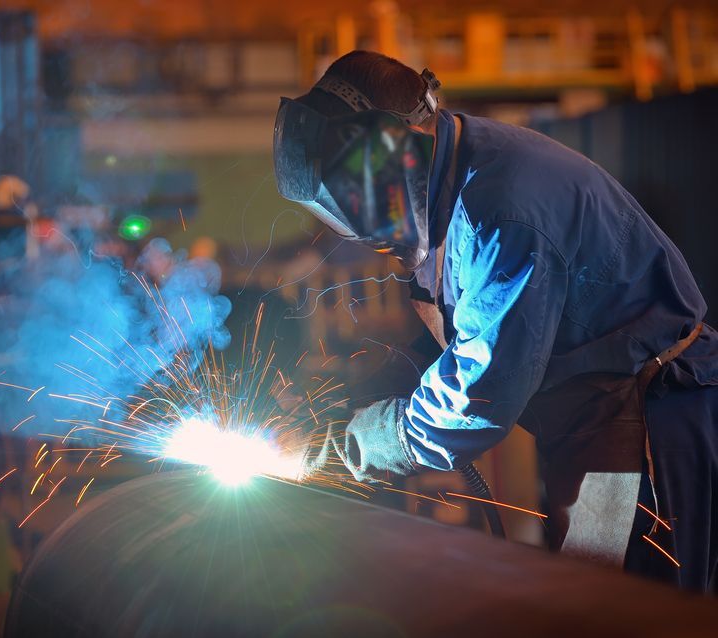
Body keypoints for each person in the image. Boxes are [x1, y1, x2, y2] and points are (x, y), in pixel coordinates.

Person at [276, 50, 717, 592]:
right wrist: (354, 398)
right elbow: (461, 332)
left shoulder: (501, 210)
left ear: (398, 147)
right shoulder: (451, 177)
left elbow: (480, 392)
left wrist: (357, 444)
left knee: (616, 613)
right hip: (595, 422)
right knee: (592, 604)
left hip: (647, 424)